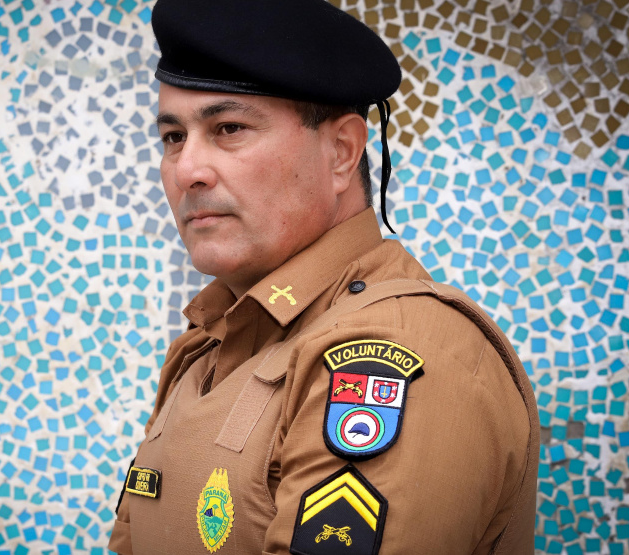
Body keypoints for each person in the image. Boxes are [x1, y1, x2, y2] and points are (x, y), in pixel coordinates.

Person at [108, 0, 539, 553]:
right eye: (173, 138)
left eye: (229, 128)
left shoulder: (397, 350)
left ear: (341, 152)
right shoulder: (202, 347)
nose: (187, 169)